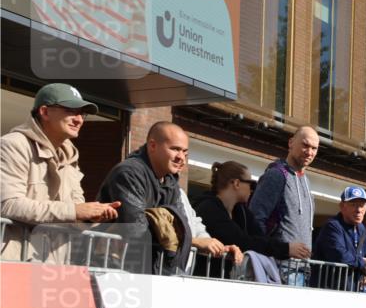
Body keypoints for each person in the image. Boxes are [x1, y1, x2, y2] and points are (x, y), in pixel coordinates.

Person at [1, 83, 120, 261]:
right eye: (70, 110)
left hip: (54, 265)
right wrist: (75, 211)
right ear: (45, 112)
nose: (79, 119)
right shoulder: (13, 145)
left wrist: (93, 216)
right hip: (14, 263)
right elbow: (8, 204)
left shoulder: (70, 158)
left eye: (82, 113)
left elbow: (73, 214)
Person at [98, 122, 239, 269]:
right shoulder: (128, 173)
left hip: (149, 272)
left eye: (185, 152)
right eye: (175, 149)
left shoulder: (171, 182)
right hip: (114, 272)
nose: (182, 158)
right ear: (152, 146)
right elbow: (136, 229)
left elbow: (182, 225)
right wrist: (193, 241)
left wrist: (218, 247)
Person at [194, 161, 310, 267]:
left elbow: (259, 237)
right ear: (236, 184)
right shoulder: (209, 209)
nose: (253, 189)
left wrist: (284, 248)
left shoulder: (241, 211)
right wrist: (286, 249)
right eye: (251, 184)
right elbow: (242, 241)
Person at [249, 126, 319, 284]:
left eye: (314, 148)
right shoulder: (276, 175)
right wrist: (274, 251)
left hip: (302, 270)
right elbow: (256, 219)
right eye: (305, 145)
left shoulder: (306, 181)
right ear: (291, 143)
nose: (309, 152)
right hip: (278, 268)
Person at [313, 185, 366, 291]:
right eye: (353, 205)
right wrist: (363, 263)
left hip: (353, 290)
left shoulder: (361, 228)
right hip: (328, 290)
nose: (358, 210)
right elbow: (340, 255)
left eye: (362, 205)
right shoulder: (332, 226)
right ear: (342, 206)